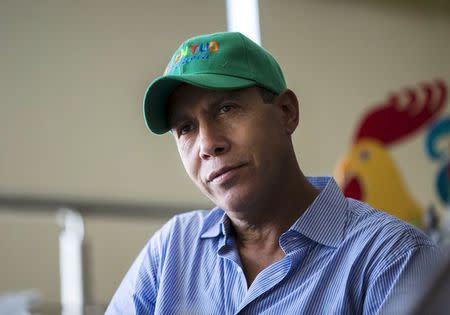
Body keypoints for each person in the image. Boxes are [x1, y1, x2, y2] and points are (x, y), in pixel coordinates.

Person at [105, 32, 442, 314]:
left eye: (226, 108)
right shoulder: (172, 251)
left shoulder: (392, 259)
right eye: (185, 128)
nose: (207, 144)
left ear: (286, 112)